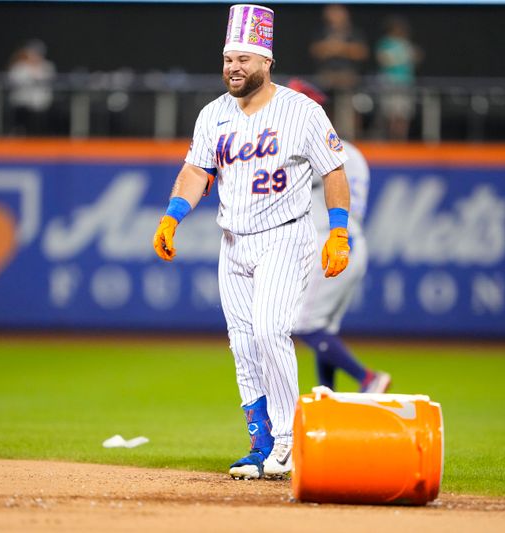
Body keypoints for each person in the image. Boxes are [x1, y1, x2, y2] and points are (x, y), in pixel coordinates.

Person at [153, 4, 352, 480]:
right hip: (234, 241)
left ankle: (287, 440)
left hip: (285, 236)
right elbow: (197, 170)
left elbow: (334, 171)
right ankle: (260, 443)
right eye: (228, 59)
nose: (233, 67)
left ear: (267, 61)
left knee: (268, 331)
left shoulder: (301, 110)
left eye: (244, 58)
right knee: (243, 343)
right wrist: (172, 215)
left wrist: (340, 230)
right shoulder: (212, 115)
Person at [288, 79, 391, 395]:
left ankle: (367, 378)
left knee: (301, 324)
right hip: (351, 241)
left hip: (327, 243)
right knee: (323, 329)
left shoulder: (313, 149)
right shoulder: (352, 151)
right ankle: (327, 397)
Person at [308, 4, 369, 139]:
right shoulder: (323, 32)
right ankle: (323, 137)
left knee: (346, 107)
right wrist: (329, 47)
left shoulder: (352, 32)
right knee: (321, 105)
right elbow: (315, 50)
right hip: (327, 75)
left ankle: (347, 138)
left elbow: (361, 52)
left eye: (337, 13)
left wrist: (340, 48)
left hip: (347, 75)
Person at [375, 16, 421, 141]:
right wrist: (403, 57)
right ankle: (390, 139)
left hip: (405, 82)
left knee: (403, 114)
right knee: (391, 114)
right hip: (390, 82)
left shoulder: (406, 44)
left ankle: (401, 140)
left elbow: (417, 56)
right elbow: (384, 59)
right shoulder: (385, 43)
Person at [8, 39, 56, 136]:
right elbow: (13, 81)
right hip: (22, 105)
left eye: (37, 53)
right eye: (32, 53)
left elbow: (50, 82)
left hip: (42, 107)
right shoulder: (19, 67)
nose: (35, 56)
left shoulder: (47, 66)